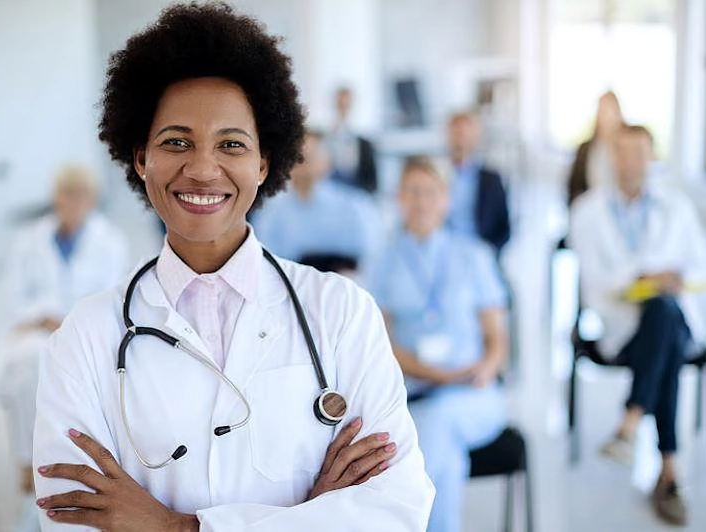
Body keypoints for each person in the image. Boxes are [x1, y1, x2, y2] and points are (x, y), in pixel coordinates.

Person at [32, 4, 434, 532]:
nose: (202, 168)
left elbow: (396, 509)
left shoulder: (341, 314)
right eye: (176, 141)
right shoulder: (84, 339)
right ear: (140, 158)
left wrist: (175, 526)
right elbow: (71, 524)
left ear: (263, 163)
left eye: (232, 145)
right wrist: (309, 516)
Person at [569, 125, 706, 527]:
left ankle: (630, 422)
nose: (630, 161)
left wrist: (675, 276)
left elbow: (700, 264)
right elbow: (592, 283)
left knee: (665, 313)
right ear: (611, 158)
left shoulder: (676, 207)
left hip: (672, 323)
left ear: (652, 157)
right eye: (623, 152)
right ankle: (670, 471)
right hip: (620, 329)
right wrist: (642, 277)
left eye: (639, 152)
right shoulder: (587, 211)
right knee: (663, 327)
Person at [370, 156, 508, 532]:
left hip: (473, 393)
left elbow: (498, 341)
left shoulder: (474, 255)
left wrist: (485, 367)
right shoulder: (384, 259)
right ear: (399, 198)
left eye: (430, 192)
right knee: (441, 442)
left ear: (446, 200)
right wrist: (432, 374)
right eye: (412, 192)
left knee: (439, 424)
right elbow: (381, 343)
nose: (421, 202)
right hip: (412, 390)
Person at [0, 165, 128, 532]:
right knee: (27, 367)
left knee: (79, 377)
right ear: (56, 198)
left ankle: (75, 482)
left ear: (92, 199)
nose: (73, 202)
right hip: (37, 331)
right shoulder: (29, 239)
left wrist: (68, 320)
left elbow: (113, 300)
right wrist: (43, 316)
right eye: (66, 194)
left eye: (81, 195)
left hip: (84, 332)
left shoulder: (109, 241)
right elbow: (13, 297)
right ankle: (29, 482)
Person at [252, 130, 381, 277]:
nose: (303, 165)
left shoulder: (353, 206)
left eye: (310, 157)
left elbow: (367, 257)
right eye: (297, 158)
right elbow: (264, 259)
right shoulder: (270, 210)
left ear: (327, 162)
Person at [444, 112, 510, 254]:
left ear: (476, 137)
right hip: (444, 250)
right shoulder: (438, 175)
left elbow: (504, 228)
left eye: (465, 133)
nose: (461, 140)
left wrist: (488, 254)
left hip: (479, 251)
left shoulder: (491, 179)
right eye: (457, 133)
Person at [566, 90, 626, 206]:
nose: (607, 117)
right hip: (590, 210)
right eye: (603, 111)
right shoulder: (584, 150)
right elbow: (573, 190)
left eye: (610, 111)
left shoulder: (627, 150)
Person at [327, 86, 378, 194]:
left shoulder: (365, 144)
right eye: (340, 105)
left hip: (357, 197)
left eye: (347, 105)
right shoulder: (324, 142)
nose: (343, 110)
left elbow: (372, 183)